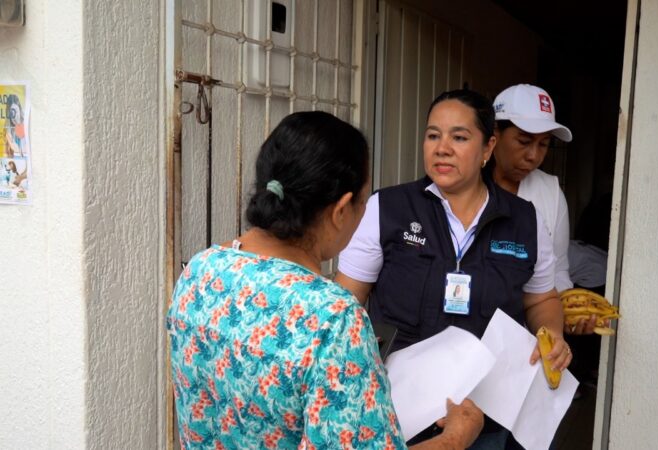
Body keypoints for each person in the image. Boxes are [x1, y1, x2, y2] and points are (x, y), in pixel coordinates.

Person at [167, 111, 483, 450]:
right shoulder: (333, 318)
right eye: (363, 201)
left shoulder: (200, 270)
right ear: (341, 210)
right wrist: (455, 438)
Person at [336, 90, 572, 449]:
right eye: (433, 135)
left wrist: (552, 332)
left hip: (486, 413)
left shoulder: (525, 220)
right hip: (398, 408)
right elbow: (346, 303)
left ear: (488, 147)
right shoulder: (388, 209)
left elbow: (542, 299)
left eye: (459, 137)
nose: (442, 148)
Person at [491, 83, 603, 336]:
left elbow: (558, 269)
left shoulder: (550, 192)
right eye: (524, 141)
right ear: (494, 133)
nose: (534, 156)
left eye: (543, 144)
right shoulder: (467, 185)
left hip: (527, 338)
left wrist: (568, 311)